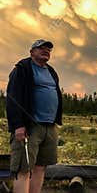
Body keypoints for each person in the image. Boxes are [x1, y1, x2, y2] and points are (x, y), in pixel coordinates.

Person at [6, 39, 62, 193]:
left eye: (48, 49)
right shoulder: (22, 68)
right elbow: (12, 97)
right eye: (41, 48)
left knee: (40, 167)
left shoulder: (51, 71)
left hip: (49, 126)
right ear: (31, 52)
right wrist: (18, 125)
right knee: (23, 168)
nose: (46, 51)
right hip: (29, 126)